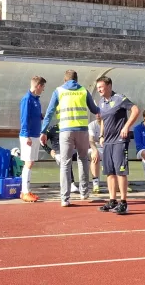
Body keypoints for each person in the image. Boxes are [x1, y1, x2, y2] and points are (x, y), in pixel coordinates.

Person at [40, 70, 100, 207]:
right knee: (83, 159)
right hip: (82, 131)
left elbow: (49, 113)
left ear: (64, 80)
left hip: (65, 131)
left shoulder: (59, 91)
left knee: (65, 163)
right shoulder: (84, 91)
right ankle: (84, 192)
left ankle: (65, 198)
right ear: (76, 80)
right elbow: (94, 110)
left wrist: (43, 131)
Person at [96, 76, 139, 215]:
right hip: (107, 141)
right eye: (97, 88)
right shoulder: (101, 102)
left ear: (109, 86)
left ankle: (124, 202)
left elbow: (135, 110)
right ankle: (112, 200)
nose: (99, 90)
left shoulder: (120, 98)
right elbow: (102, 120)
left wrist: (126, 126)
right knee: (109, 172)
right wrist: (101, 135)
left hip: (120, 141)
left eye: (101, 87)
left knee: (120, 172)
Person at [19, 76, 46, 203]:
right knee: (28, 163)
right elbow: (24, 118)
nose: (43, 90)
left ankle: (26, 190)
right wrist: (26, 135)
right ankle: (24, 192)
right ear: (38, 86)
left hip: (35, 134)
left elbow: (33, 115)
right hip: (28, 135)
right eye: (43, 87)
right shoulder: (27, 99)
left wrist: (41, 116)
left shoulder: (36, 100)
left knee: (31, 163)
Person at [42, 122, 79, 193]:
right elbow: (42, 141)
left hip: (72, 150)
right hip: (59, 153)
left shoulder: (72, 127)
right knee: (65, 159)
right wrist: (49, 151)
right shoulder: (52, 129)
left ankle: (89, 184)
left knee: (84, 156)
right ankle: (71, 184)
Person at [88, 118, 104, 193]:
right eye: (96, 113)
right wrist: (95, 150)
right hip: (95, 147)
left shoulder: (109, 123)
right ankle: (96, 183)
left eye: (99, 112)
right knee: (94, 155)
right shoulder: (91, 125)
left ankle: (118, 184)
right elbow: (91, 140)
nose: (98, 115)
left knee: (117, 156)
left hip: (108, 147)